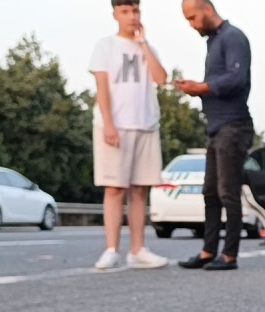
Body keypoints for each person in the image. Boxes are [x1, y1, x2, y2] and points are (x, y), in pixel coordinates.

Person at [89, 0, 170, 270]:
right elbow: (102, 88)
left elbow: (161, 79)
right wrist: (109, 125)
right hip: (115, 125)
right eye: (125, 12)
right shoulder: (105, 46)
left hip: (145, 124)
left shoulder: (148, 48)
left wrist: (144, 44)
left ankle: (138, 249)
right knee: (115, 189)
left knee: (140, 190)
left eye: (135, 11)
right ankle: (111, 248)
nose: (131, 16)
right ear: (115, 14)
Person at [175, 0, 254, 272]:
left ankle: (229, 255)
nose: (191, 24)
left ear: (207, 9)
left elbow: (237, 78)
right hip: (217, 128)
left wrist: (202, 87)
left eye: (192, 17)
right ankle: (209, 250)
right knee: (210, 192)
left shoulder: (233, 37)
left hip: (234, 126)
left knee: (227, 192)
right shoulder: (214, 42)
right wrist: (199, 88)